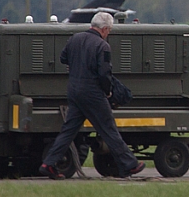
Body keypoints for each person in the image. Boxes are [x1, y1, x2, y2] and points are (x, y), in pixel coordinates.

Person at [39, 11, 145, 179]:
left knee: (68, 131)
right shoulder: (102, 46)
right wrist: (108, 91)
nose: (108, 33)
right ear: (104, 29)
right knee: (108, 129)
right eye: (109, 30)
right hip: (93, 93)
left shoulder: (75, 38)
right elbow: (104, 74)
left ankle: (48, 164)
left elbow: (63, 58)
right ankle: (130, 164)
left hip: (74, 91)